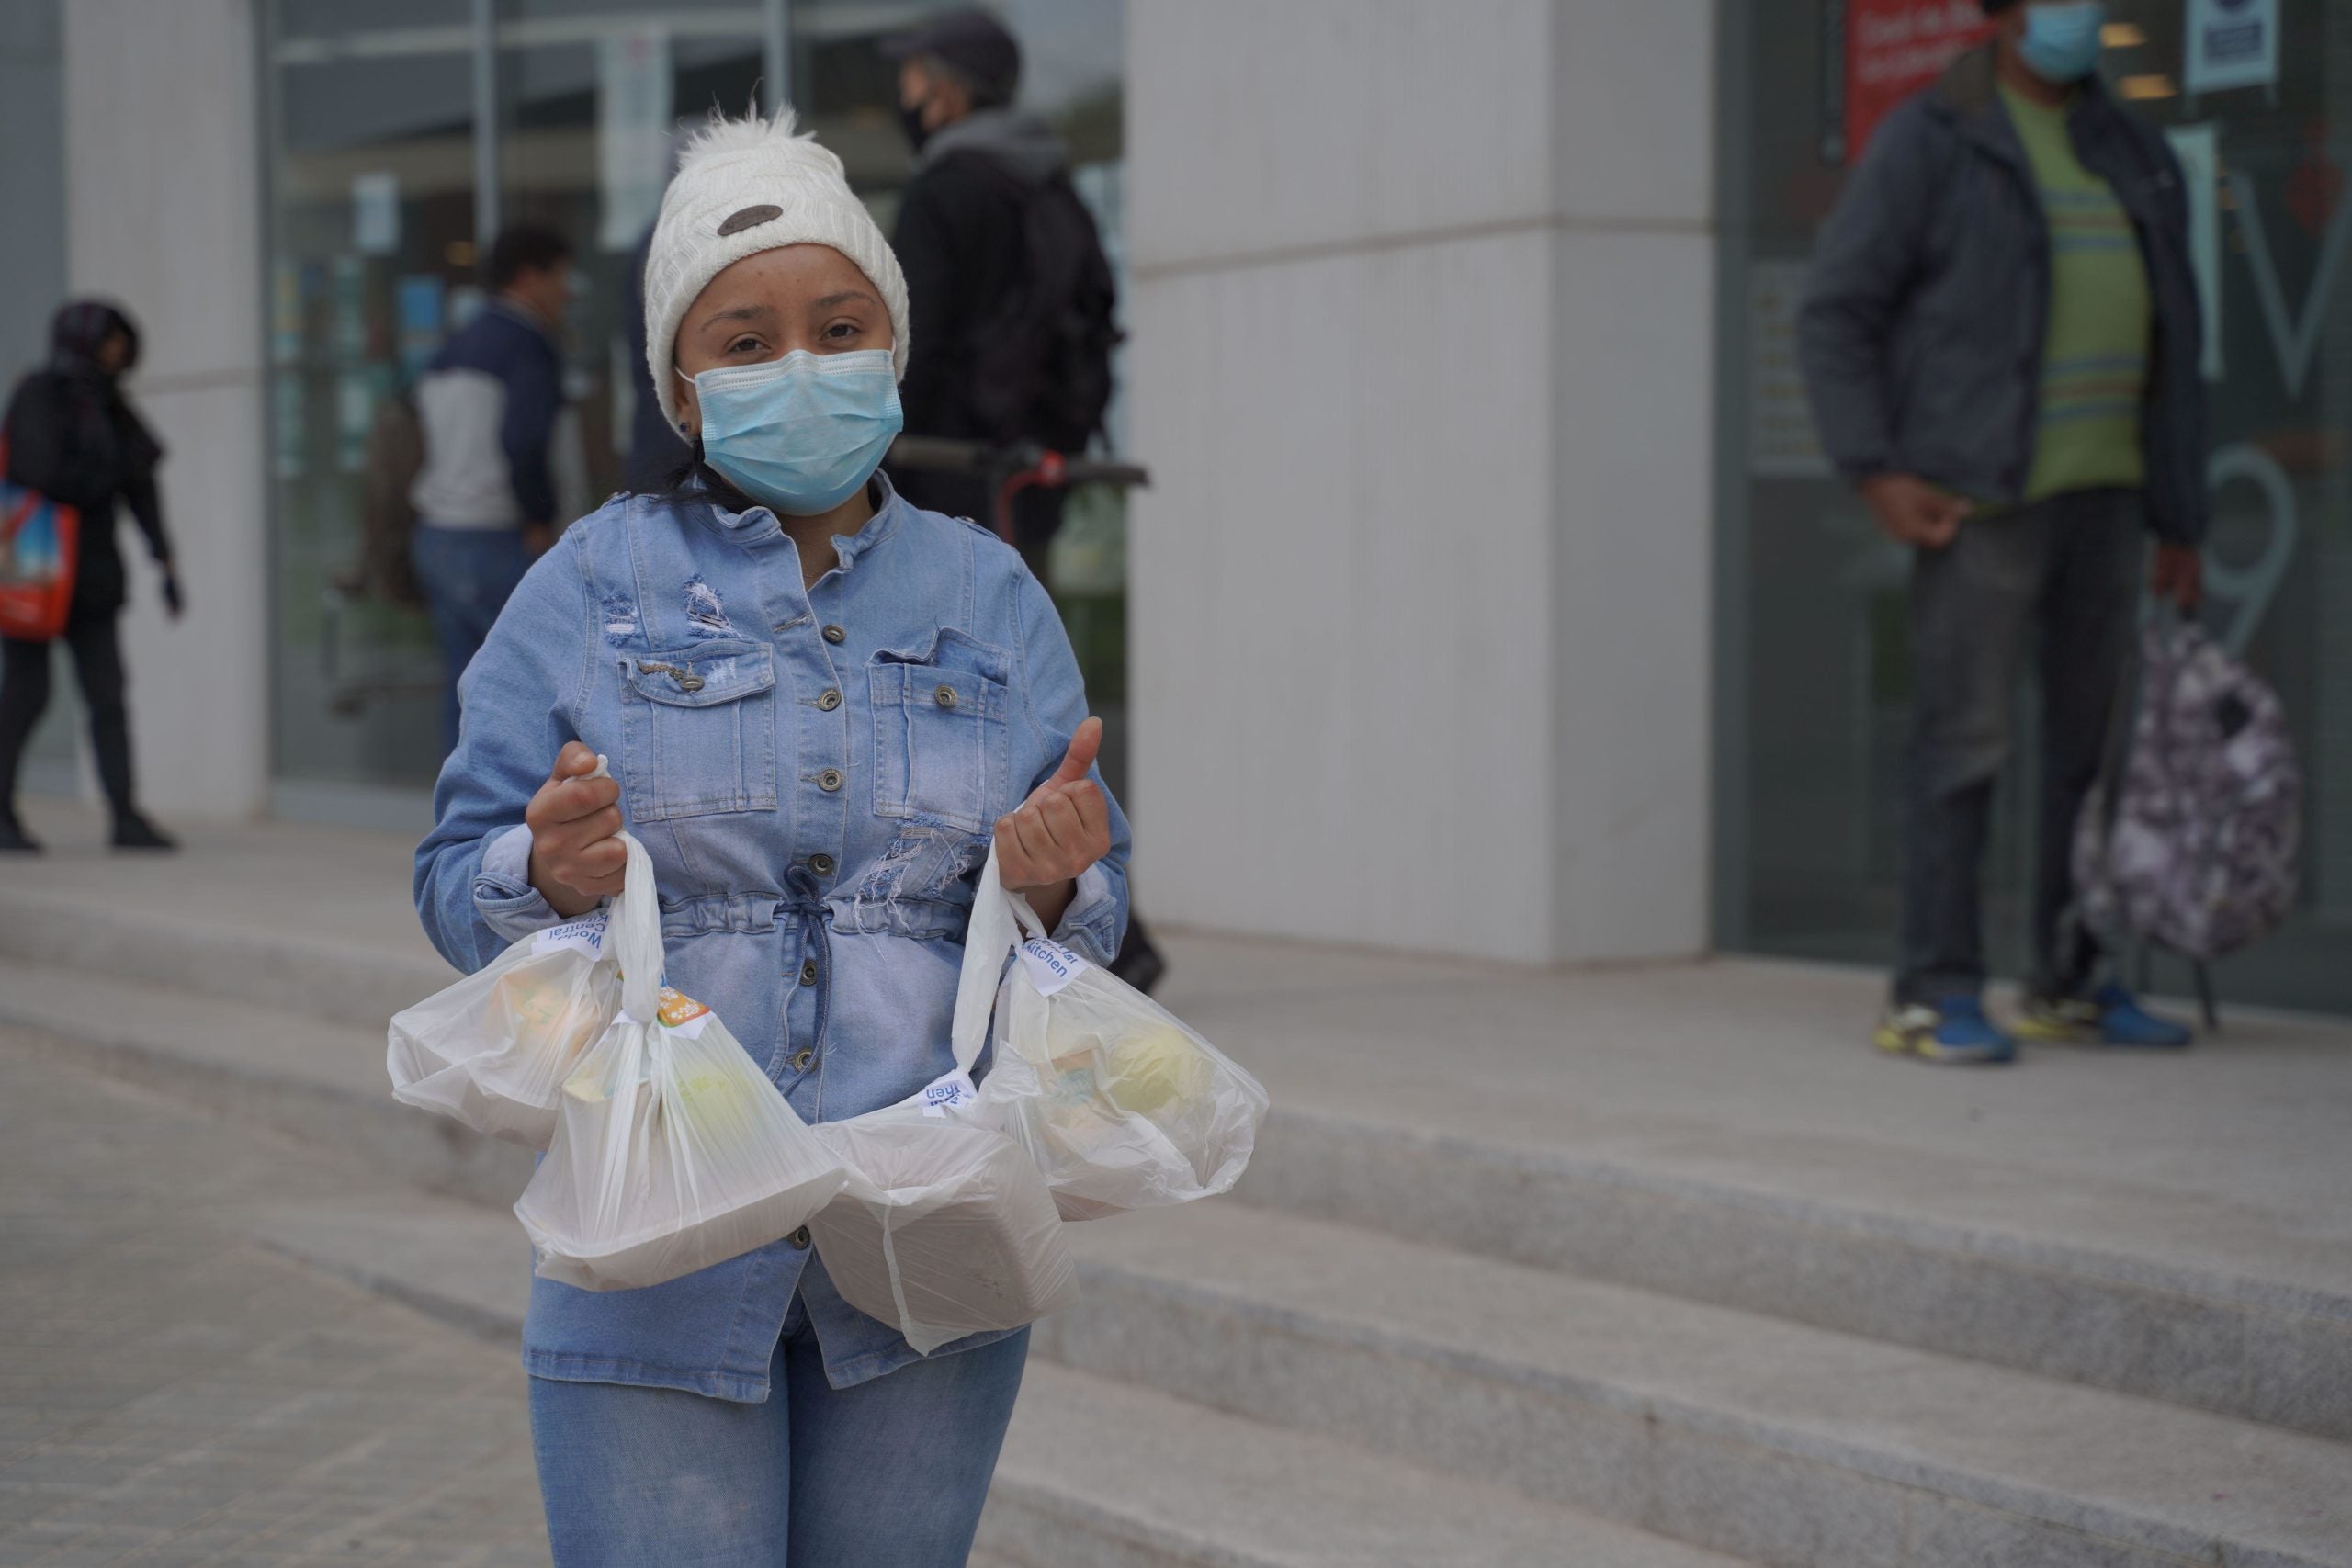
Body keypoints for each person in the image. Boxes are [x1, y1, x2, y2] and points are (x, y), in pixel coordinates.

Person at [414, 109, 1129, 1564]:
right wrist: (543, 869)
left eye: (838, 324)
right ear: (681, 383)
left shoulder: (991, 597)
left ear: (893, 342)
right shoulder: (586, 584)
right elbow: (452, 871)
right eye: (743, 340)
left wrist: (1058, 881)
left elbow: (1086, 913)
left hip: (928, 1240)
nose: (798, 366)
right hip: (660, 1236)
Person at [1799, 0, 2204, 1064]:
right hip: (1977, 499)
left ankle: (2069, 977)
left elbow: (2178, 339)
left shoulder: (2132, 145)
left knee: (2093, 753)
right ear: (2004, 14)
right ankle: (1932, 991)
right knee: (1963, 746)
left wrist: (2180, 517)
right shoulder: (1934, 137)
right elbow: (1836, 308)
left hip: (2108, 501)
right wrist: (1874, 470)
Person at [882, 6, 1119, 588]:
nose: (902, 92)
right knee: (1021, 645)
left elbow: (917, 342)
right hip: (1032, 475)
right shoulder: (1053, 186)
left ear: (948, 93)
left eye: (912, 76)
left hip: (942, 479)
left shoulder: (942, 194)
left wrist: (874, 460)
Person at [0, 300, 180, 853]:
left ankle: (124, 815)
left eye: (122, 342)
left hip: (96, 578)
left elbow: (143, 489)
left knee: (108, 696)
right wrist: (103, 471)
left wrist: (165, 562)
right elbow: (41, 471)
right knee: (27, 695)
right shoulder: (39, 394)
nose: (117, 352)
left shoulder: (114, 407)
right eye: (108, 342)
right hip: (35, 569)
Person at [410, 221, 574, 750]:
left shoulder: (451, 346)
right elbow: (524, 439)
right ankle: (523, 819)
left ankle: (461, 821)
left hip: (439, 534)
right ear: (529, 277)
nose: (567, 293)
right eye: (561, 278)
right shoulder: (526, 343)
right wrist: (540, 517)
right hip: (497, 537)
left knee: (465, 691)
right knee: (540, 685)